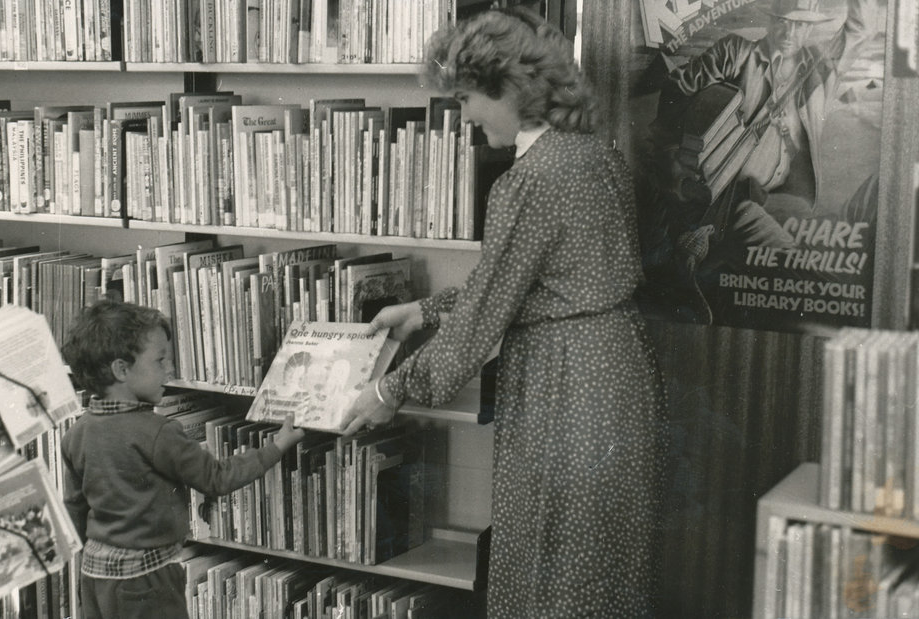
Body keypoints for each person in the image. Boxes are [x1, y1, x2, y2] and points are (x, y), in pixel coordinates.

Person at [340, 8, 668, 618]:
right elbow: (532, 283)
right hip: (617, 375)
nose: (463, 118)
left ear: (510, 89)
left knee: (552, 563)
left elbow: (489, 311)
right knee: (601, 565)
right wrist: (423, 309)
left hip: (566, 386)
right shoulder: (594, 156)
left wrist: (389, 390)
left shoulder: (531, 178)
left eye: (466, 99)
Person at [60, 300, 304, 619]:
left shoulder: (76, 433)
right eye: (160, 360)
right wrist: (276, 447)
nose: (170, 369)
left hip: (94, 574)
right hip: (147, 578)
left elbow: (75, 508)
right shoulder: (158, 432)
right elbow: (216, 478)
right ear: (122, 370)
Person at [641, 0, 877, 321]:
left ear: (810, 27)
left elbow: (859, 31)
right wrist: (674, 153)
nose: (791, 32)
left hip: (752, 200)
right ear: (770, 19)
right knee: (672, 270)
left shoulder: (818, 71)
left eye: (801, 24)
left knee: (803, 276)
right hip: (699, 194)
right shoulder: (736, 51)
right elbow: (676, 91)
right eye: (783, 21)